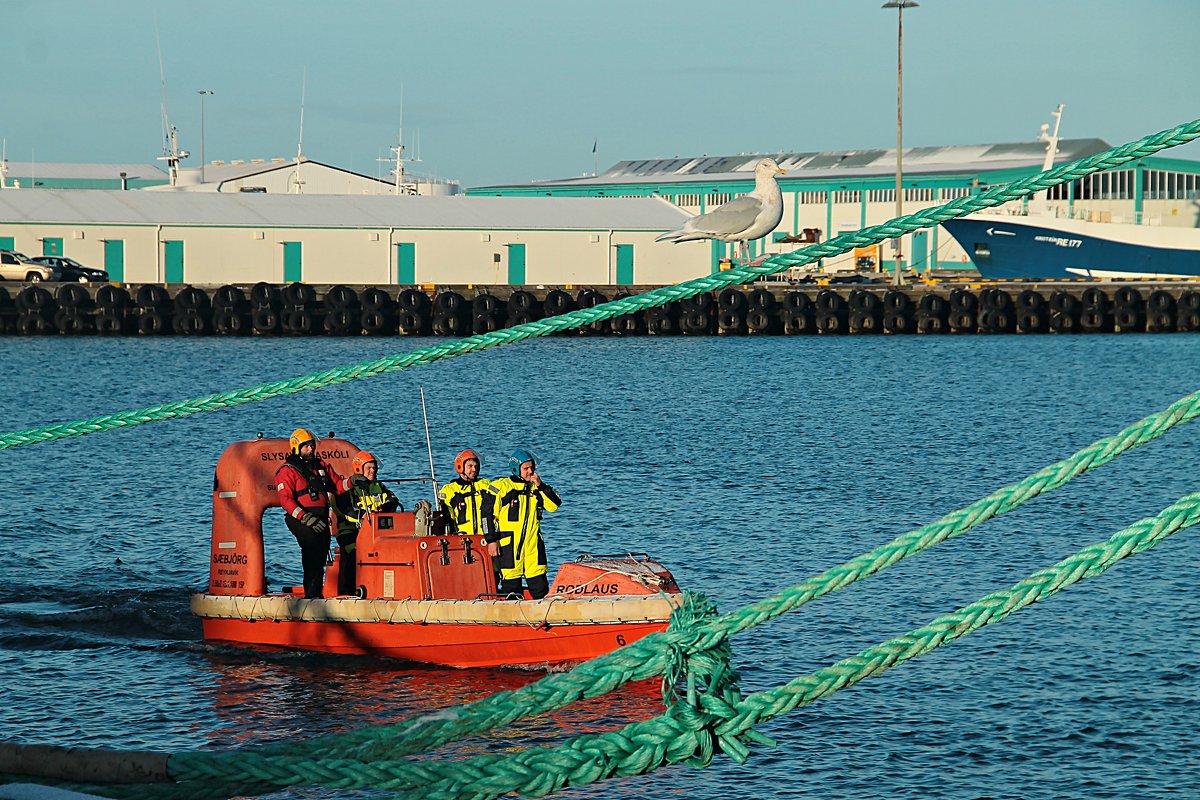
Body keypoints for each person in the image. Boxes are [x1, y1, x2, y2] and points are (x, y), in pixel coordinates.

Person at [275, 428, 367, 599]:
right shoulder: (287, 471)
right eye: (306, 446)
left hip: (321, 519)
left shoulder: (320, 466)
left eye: (311, 445)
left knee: (321, 555)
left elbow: (338, 485)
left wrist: (353, 481)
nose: (311, 449)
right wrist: (305, 517)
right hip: (301, 519)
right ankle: (311, 596)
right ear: (296, 448)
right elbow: (286, 500)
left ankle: (316, 595)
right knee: (312, 554)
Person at [489, 448, 561, 600]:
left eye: (532, 468)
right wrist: (491, 541)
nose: (531, 471)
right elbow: (487, 516)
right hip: (509, 545)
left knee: (539, 586)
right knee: (511, 588)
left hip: (533, 545)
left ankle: (543, 615)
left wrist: (541, 486)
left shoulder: (537, 488)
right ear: (516, 469)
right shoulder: (502, 487)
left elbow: (554, 505)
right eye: (526, 468)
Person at [334, 450, 401, 597]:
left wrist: (384, 508)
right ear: (359, 469)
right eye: (369, 468)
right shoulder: (349, 489)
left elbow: (393, 499)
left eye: (374, 467)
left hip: (376, 531)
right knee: (352, 553)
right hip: (351, 531)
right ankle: (347, 592)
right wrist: (363, 515)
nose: (373, 470)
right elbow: (345, 509)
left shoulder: (379, 487)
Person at [438, 449, 497, 542]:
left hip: (484, 539)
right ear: (460, 467)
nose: (474, 469)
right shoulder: (449, 490)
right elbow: (446, 519)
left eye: (476, 466)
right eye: (470, 466)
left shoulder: (486, 485)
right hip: (461, 540)